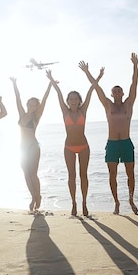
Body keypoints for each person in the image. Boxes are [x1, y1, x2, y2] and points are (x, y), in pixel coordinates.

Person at [80, 53, 138, 215]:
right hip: (112, 143)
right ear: (112, 94)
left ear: (123, 94)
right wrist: (87, 72)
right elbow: (96, 88)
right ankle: (116, 202)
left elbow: (134, 84)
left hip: (126, 143)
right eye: (115, 92)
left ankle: (131, 199)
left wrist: (135, 66)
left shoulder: (129, 104)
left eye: (120, 91)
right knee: (112, 174)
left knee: (130, 174)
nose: (118, 94)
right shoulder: (108, 106)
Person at [45, 66, 103, 216]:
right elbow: (58, 93)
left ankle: (84, 202)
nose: (73, 101)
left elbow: (91, 90)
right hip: (69, 147)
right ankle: (73, 203)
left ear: (79, 101)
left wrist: (97, 77)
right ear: (68, 101)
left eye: (75, 99)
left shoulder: (83, 110)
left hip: (84, 146)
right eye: (70, 99)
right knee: (72, 175)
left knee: (84, 175)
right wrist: (52, 80)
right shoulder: (65, 111)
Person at [10, 77, 53, 213]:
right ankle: (33, 197)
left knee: (33, 174)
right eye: (30, 103)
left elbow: (45, 100)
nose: (32, 106)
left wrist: (50, 84)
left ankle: (38, 195)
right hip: (22, 148)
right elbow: (17, 99)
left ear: (36, 107)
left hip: (34, 146)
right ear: (28, 104)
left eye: (35, 105)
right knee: (26, 174)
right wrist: (15, 84)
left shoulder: (36, 116)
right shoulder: (22, 114)